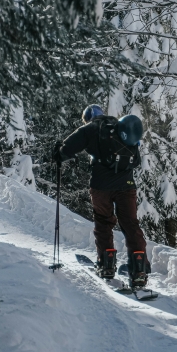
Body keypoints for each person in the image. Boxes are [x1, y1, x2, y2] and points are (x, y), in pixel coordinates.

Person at [52, 105, 151, 288]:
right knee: (130, 224)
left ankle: (106, 266)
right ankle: (139, 271)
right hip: (126, 185)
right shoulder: (119, 125)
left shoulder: (90, 128)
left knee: (103, 222)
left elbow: (68, 149)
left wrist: (59, 153)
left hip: (101, 186)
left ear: (88, 117)